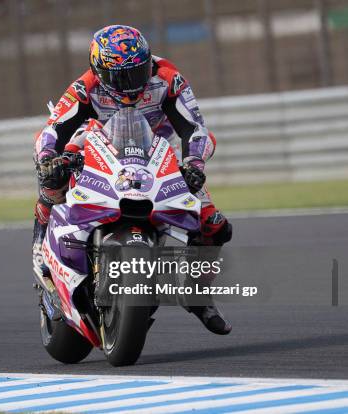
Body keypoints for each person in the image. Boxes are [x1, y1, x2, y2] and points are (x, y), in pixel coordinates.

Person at [32, 25, 233, 335]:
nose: (131, 82)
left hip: (155, 146)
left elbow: (196, 128)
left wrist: (193, 163)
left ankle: (197, 293)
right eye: (121, 76)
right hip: (96, 139)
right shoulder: (84, 88)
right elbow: (52, 128)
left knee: (215, 225)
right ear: (99, 70)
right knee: (54, 175)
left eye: (138, 71)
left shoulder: (167, 78)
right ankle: (40, 239)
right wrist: (48, 157)